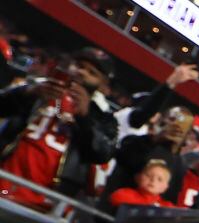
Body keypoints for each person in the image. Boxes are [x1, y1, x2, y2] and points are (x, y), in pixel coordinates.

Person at [0, 46, 117, 209]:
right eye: (80, 66)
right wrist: (30, 93)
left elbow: (102, 153)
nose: (82, 72)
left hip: (44, 201)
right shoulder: (38, 87)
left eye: (92, 73)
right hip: (4, 180)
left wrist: (84, 118)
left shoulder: (102, 116)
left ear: (103, 85)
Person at [107, 158, 173, 208]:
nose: (153, 180)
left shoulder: (167, 207)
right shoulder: (125, 194)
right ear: (138, 177)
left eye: (160, 179)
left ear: (165, 187)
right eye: (148, 175)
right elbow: (115, 198)